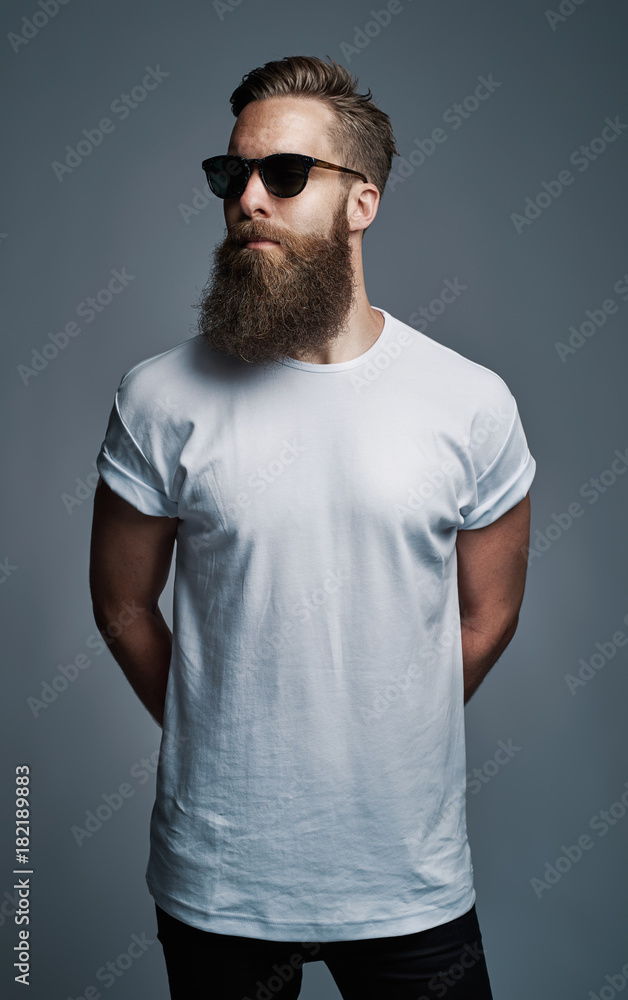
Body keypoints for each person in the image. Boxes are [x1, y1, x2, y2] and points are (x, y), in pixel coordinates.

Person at [89, 54, 536, 999]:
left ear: (361, 202)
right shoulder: (161, 397)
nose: (248, 197)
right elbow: (123, 603)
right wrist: (224, 728)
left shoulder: (470, 402)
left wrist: (379, 730)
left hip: (406, 883)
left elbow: (486, 617)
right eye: (231, 173)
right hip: (219, 884)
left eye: (284, 175)